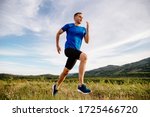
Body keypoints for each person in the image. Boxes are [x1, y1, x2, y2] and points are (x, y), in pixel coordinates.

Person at [52, 12, 91, 96]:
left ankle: (56, 87)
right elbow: (58, 33)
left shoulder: (83, 29)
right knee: (84, 57)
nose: (81, 18)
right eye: (80, 17)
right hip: (69, 49)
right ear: (75, 17)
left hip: (75, 53)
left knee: (65, 72)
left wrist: (88, 29)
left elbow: (87, 41)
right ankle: (81, 85)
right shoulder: (69, 26)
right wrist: (57, 45)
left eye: (82, 17)